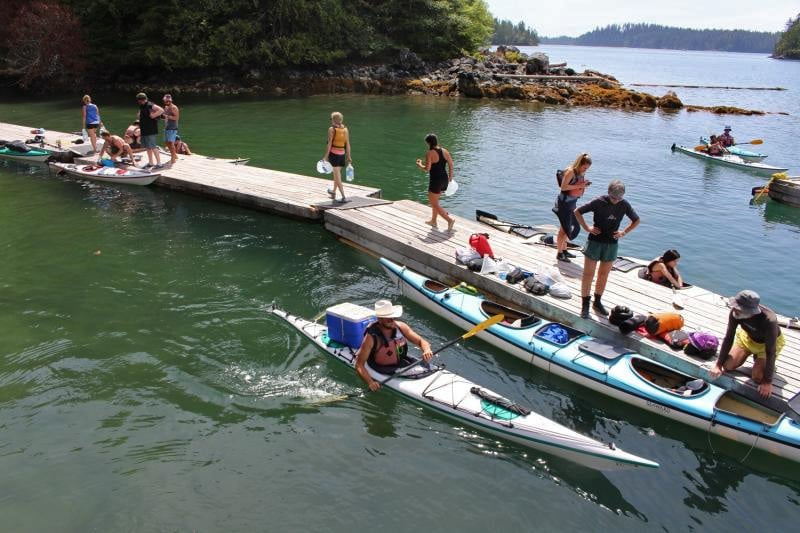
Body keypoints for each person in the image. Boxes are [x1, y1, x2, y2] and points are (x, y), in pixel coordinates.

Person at [574, 180, 640, 319]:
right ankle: (585, 304)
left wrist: (624, 232)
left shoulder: (624, 204)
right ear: (608, 193)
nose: (616, 201)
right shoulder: (599, 201)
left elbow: (636, 220)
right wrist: (587, 228)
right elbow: (577, 212)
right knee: (588, 274)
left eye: (619, 198)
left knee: (603, 275)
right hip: (595, 242)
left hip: (611, 243)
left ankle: (597, 302)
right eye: (613, 198)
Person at [709, 290, 785, 398]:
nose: (734, 310)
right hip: (747, 338)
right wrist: (718, 365)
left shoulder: (769, 320)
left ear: (751, 312)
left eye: (739, 309)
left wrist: (767, 382)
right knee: (728, 365)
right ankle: (756, 359)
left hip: (766, 346)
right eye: (735, 306)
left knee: (758, 377)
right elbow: (729, 337)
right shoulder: (735, 313)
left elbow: (770, 351)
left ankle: (760, 360)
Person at [354, 300, 434, 391]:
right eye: (387, 318)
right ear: (379, 319)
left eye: (392, 316)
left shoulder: (401, 326)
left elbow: (421, 341)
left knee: (424, 368)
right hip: (381, 367)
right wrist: (370, 382)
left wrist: (426, 350)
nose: (391, 320)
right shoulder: (371, 338)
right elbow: (359, 365)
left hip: (400, 362)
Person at [553, 153, 592, 263]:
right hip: (564, 203)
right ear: (580, 164)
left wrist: (584, 184)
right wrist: (580, 186)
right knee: (564, 229)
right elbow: (564, 187)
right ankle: (559, 253)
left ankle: (564, 250)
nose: (586, 170)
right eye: (585, 167)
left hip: (572, 202)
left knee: (568, 227)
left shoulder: (580, 173)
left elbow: (576, 185)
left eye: (587, 168)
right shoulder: (571, 171)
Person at [416, 133, 455, 232]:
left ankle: (449, 220)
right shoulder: (444, 151)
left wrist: (420, 164)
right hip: (444, 180)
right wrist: (450, 177)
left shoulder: (429, 153)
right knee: (436, 202)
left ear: (429, 143)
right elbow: (451, 164)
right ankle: (433, 221)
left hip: (435, 181)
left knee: (434, 204)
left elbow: (427, 169)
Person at [322, 111, 352, 202]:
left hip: (334, 155)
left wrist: (326, 156)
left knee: (337, 176)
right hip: (342, 155)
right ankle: (333, 192)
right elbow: (347, 144)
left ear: (334, 120)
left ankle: (343, 196)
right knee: (336, 174)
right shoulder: (345, 129)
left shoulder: (331, 129)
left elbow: (330, 143)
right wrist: (349, 156)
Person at [135, 92, 164, 168]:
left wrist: (153, 115)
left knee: (153, 146)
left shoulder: (149, 105)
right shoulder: (142, 106)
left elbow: (161, 110)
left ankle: (159, 163)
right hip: (144, 129)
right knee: (148, 147)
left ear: (142, 100)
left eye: (139, 100)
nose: (138, 101)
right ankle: (151, 162)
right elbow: (140, 114)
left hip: (151, 129)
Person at [162, 94, 180, 164]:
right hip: (167, 127)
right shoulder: (166, 108)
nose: (167, 102)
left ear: (171, 100)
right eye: (166, 101)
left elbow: (176, 118)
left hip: (172, 127)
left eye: (168, 101)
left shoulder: (174, 107)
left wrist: (167, 116)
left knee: (171, 143)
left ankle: (173, 158)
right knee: (166, 142)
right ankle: (175, 155)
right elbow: (165, 117)